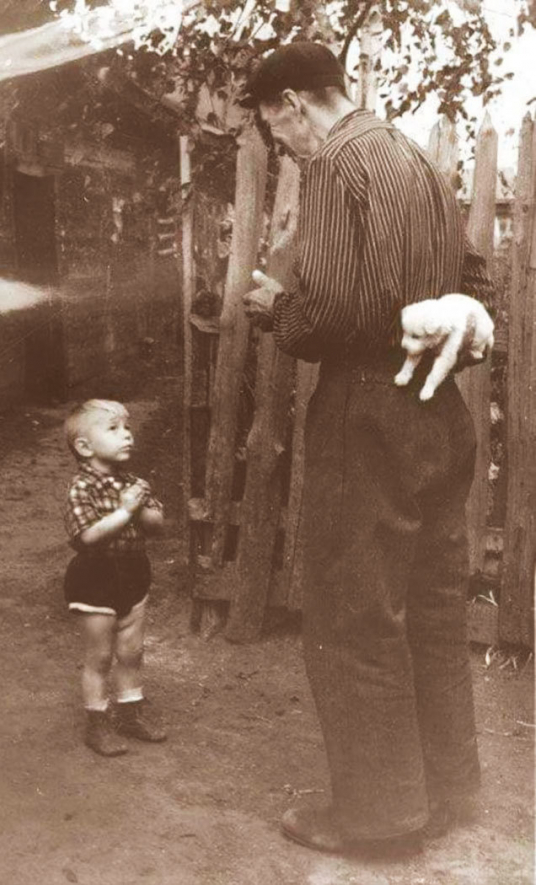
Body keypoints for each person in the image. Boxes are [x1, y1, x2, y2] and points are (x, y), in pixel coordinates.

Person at [240, 42, 495, 856]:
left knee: (355, 614)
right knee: (427, 605)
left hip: (369, 406)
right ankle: (447, 788)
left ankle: (381, 818)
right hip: (438, 405)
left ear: (290, 103)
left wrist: (277, 308)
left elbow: (340, 316)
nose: (282, 145)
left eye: (275, 129)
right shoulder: (409, 155)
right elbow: (469, 273)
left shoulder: (337, 166)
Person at [63, 399, 167, 756]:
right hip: (95, 578)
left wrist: (144, 508)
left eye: (127, 428)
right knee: (101, 656)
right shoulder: (82, 489)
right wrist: (125, 510)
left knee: (132, 651)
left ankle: (130, 714)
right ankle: (97, 723)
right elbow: (87, 537)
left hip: (133, 573)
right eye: (114, 429)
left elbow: (156, 527)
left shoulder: (135, 483)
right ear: (84, 447)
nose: (126, 435)